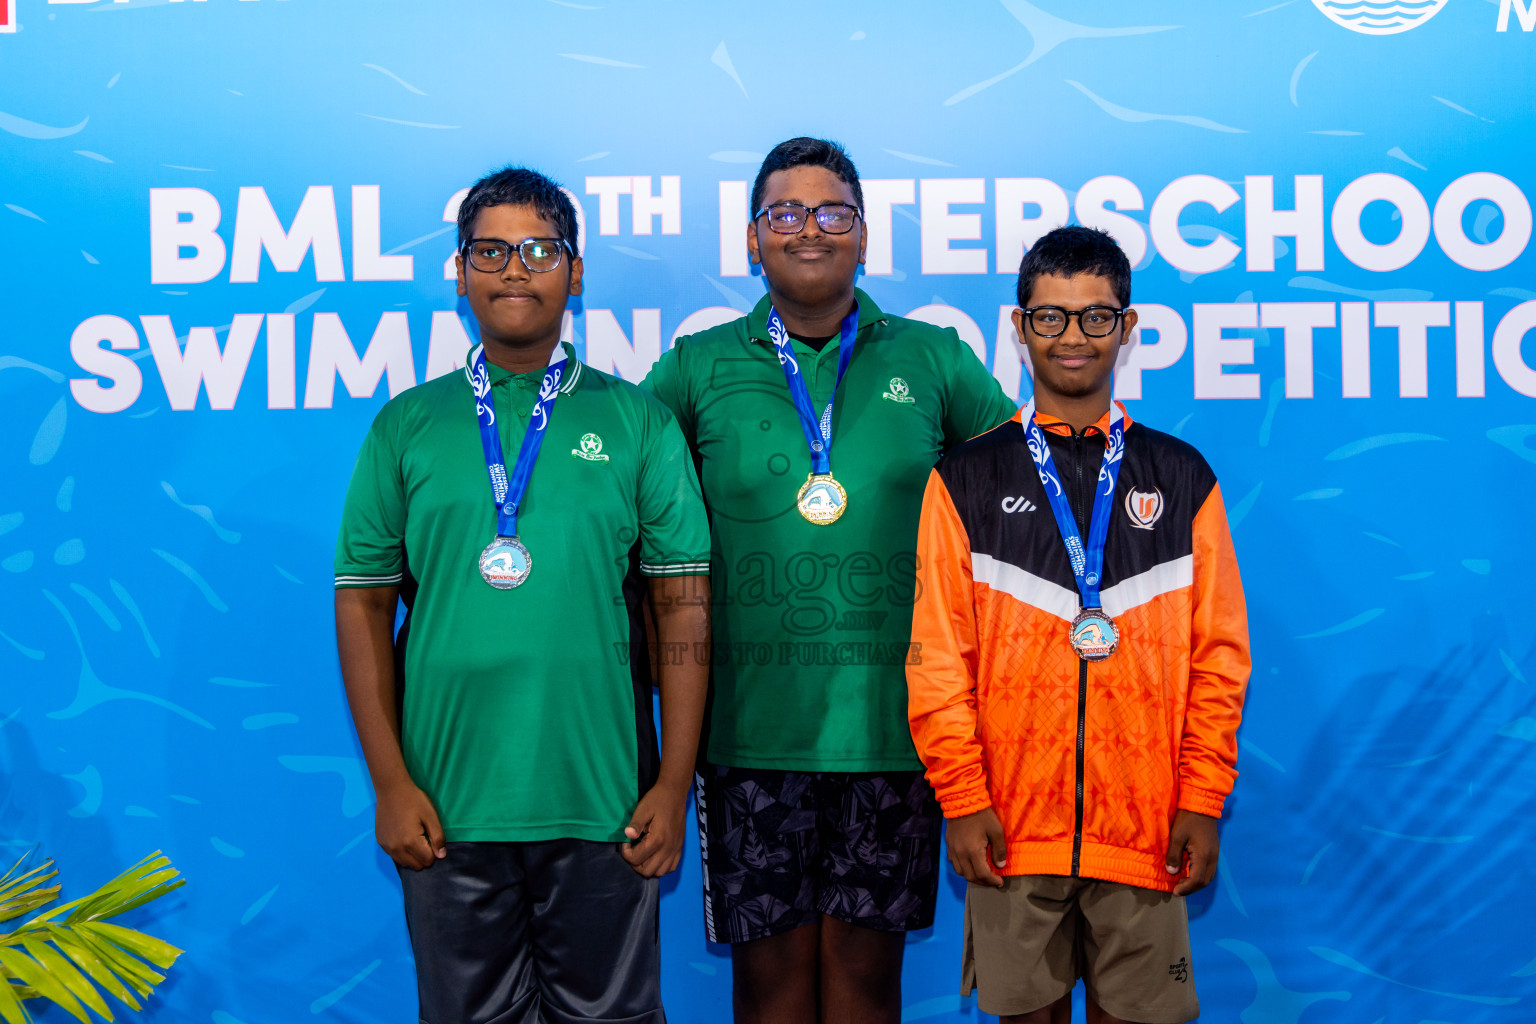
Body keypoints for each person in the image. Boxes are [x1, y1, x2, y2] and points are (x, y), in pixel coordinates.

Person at [641, 137, 1018, 1024]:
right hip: (745, 735)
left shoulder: (934, 359)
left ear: (863, 235)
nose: (809, 229)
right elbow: (620, 488)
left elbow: (1024, 487)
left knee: (863, 989)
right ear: (751, 239)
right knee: (768, 993)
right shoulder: (698, 366)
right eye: (786, 213)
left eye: (832, 212)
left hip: (893, 734)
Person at [333, 167, 711, 1024]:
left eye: (540, 250)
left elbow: (683, 606)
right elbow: (360, 602)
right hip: (445, 808)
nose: (515, 270)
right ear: (459, 272)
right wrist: (391, 782)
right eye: (492, 251)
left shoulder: (636, 422)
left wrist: (673, 783)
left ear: (575, 272)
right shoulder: (408, 423)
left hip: (605, 803)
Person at [907, 225, 1251, 1024]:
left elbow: (1220, 655)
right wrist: (961, 797)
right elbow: (936, 657)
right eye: (1051, 316)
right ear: (1019, 326)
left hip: (1146, 826)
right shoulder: (966, 477)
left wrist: (1202, 797)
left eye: (1097, 317)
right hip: (1009, 831)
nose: (1073, 337)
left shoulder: (1181, 475)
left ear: (1127, 329)